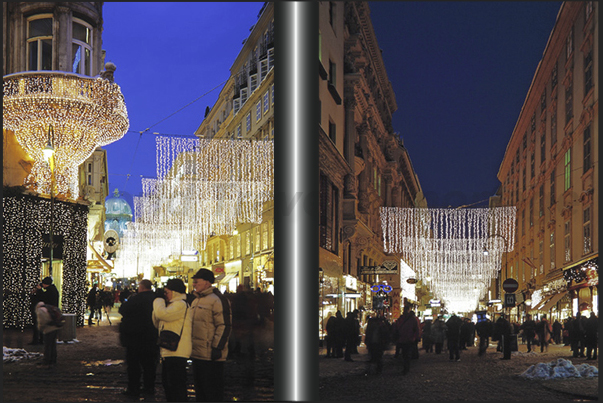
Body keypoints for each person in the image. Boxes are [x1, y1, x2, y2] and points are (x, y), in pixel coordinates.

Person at [189, 269, 232, 402]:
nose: (194, 284)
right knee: (200, 390)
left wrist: (217, 348)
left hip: (211, 355)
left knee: (212, 391)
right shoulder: (196, 300)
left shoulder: (217, 300)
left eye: (197, 281)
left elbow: (224, 325)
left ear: (207, 283)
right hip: (197, 353)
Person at [118, 279, 160, 398]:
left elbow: (123, 310)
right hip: (151, 336)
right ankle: (149, 388)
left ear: (141, 287)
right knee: (150, 365)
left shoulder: (134, 299)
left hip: (134, 337)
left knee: (134, 365)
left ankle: (133, 388)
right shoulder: (156, 299)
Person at [152, 279, 192, 402]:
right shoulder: (172, 305)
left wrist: (158, 301)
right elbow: (157, 321)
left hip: (177, 351)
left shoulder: (180, 304)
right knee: (168, 383)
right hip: (170, 349)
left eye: (166, 292)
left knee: (176, 384)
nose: (165, 294)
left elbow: (162, 315)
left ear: (174, 292)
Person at [393, 305, 420, 375]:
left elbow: (396, 328)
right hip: (409, 339)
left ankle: (405, 367)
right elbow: (416, 329)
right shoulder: (413, 319)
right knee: (407, 353)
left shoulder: (401, 319)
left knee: (404, 353)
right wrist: (417, 337)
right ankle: (406, 367)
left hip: (402, 338)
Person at [35, 301, 62, 368]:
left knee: (47, 346)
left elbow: (42, 322)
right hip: (55, 327)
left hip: (48, 329)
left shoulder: (40, 311)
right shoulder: (48, 308)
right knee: (53, 345)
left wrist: (40, 328)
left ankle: (46, 361)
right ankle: (53, 360)